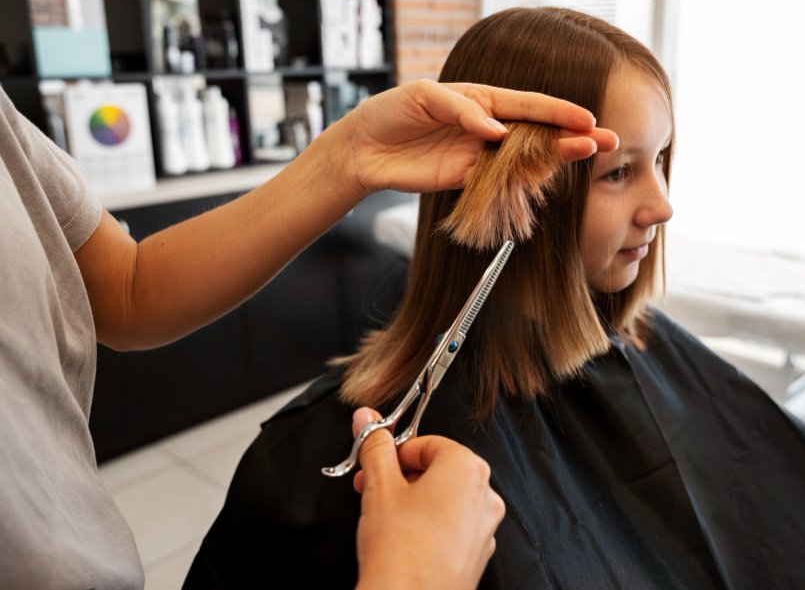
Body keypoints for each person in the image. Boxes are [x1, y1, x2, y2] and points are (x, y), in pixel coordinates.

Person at [185, 8, 805, 589]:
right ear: (514, 196)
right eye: (618, 171)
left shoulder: (645, 344)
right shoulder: (321, 472)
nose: (663, 204)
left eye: (661, 160)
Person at [0, 78, 619, 590]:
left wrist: (351, 151)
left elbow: (127, 287)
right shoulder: (290, 470)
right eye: (618, 175)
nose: (663, 208)